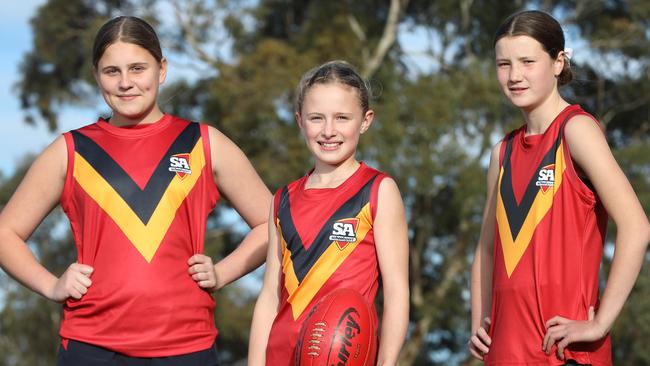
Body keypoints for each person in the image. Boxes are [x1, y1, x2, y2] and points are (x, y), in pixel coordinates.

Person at [0, 16, 271, 365]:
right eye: (112, 71)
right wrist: (51, 284)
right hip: (92, 348)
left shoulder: (203, 143)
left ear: (162, 69)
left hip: (187, 347)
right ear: (96, 75)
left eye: (137, 68)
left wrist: (223, 272)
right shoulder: (72, 150)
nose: (126, 83)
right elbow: (6, 233)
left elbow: (272, 224)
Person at [469, 10, 650, 366]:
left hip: (565, 352)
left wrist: (599, 323)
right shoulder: (501, 153)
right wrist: (478, 319)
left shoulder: (576, 130)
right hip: (505, 352)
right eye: (503, 64)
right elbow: (487, 249)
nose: (514, 75)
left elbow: (637, 227)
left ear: (557, 62)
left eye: (527, 61)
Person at [247, 60, 409, 365]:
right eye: (316, 118)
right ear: (300, 121)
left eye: (342, 118)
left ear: (365, 120)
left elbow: (397, 291)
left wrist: (387, 362)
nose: (329, 131)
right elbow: (269, 295)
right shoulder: (282, 199)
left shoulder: (378, 191)